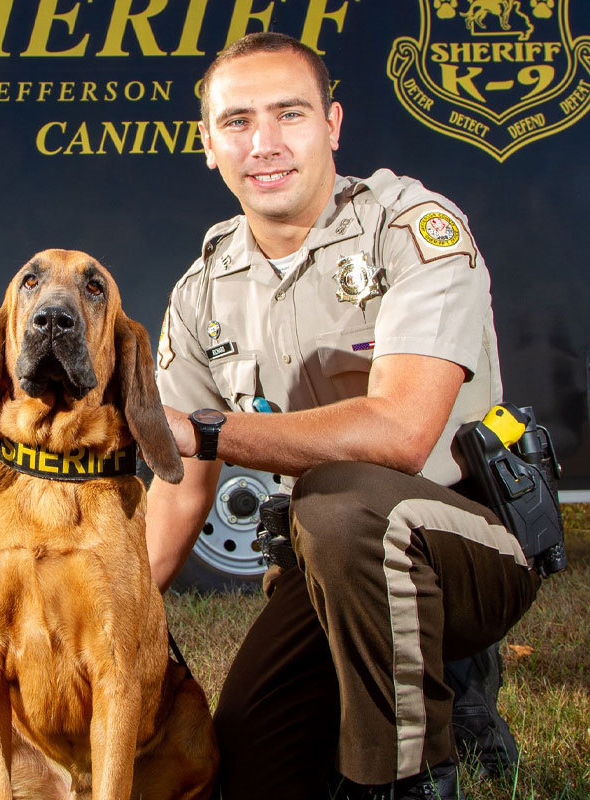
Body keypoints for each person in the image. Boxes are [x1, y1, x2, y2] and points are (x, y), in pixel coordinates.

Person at [145, 32, 540, 800]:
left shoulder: (410, 225)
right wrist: (109, 607)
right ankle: (421, 693)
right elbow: (181, 484)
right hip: (326, 564)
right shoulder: (202, 291)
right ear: (207, 144)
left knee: (339, 502)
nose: (263, 144)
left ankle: (410, 773)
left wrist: (214, 429)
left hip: (468, 543)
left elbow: (399, 433)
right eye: (237, 122)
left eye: (289, 114)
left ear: (332, 125)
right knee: (250, 773)